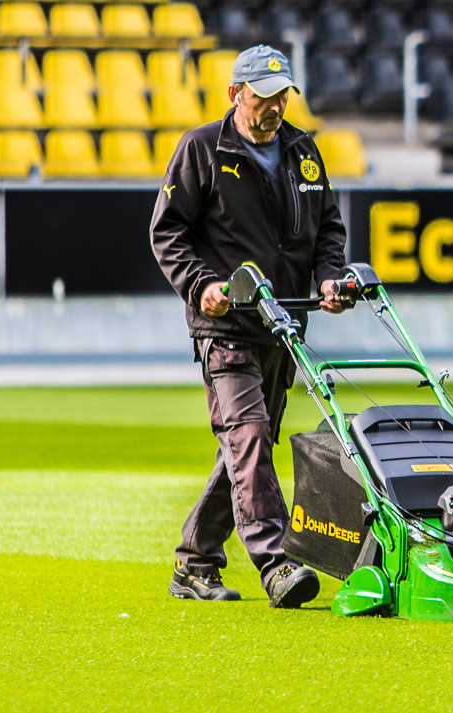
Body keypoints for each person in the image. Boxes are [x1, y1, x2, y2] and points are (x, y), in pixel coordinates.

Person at [150, 45, 349, 608]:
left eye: (282, 95)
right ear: (234, 94)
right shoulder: (202, 150)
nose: (275, 107)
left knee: (243, 449)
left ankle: (194, 563)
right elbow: (168, 233)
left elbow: (328, 228)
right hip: (226, 327)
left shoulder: (304, 152)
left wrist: (331, 278)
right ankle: (276, 561)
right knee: (250, 439)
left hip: (284, 327)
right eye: (263, 97)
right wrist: (200, 285)